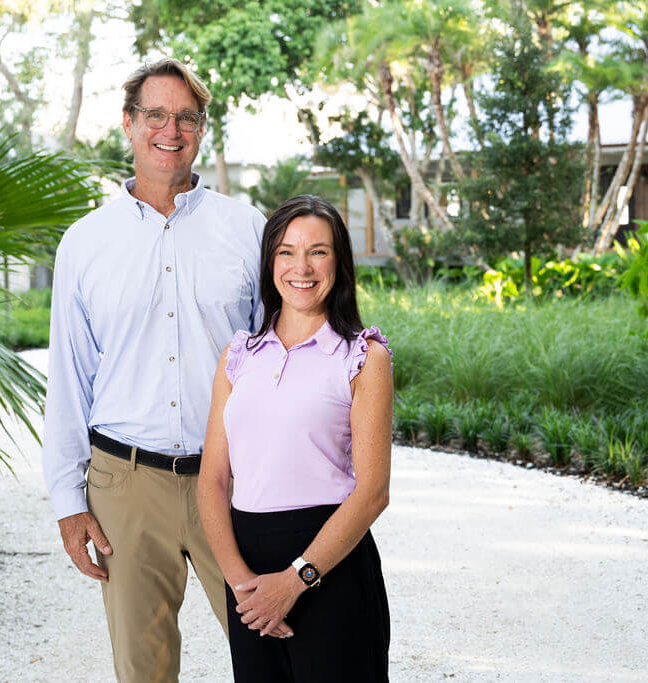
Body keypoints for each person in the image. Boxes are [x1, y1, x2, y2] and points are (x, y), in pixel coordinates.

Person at [41, 58, 266, 682]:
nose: (171, 130)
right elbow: (69, 378)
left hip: (233, 480)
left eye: (186, 117)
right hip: (126, 484)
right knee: (144, 672)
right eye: (156, 115)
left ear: (202, 128)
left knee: (271, 651)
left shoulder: (247, 230)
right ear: (128, 123)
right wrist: (68, 502)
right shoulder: (85, 242)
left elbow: (277, 361)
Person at [197, 195, 393, 682]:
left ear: (339, 262)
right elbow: (212, 482)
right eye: (286, 252)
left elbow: (373, 492)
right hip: (249, 575)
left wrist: (296, 580)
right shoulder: (238, 356)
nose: (301, 267)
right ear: (269, 262)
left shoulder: (362, 357)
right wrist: (242, 584)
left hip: (331, 564)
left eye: (318, 252)